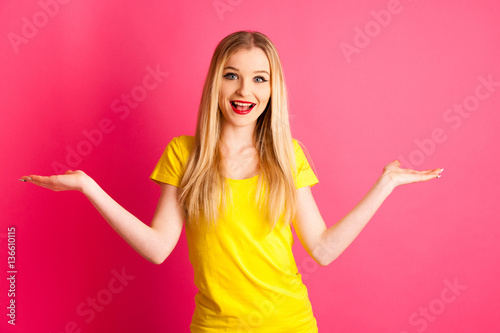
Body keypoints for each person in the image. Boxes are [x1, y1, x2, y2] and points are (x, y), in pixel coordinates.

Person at [19, 31, 443, 332]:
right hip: (213, 327)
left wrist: (385, 184)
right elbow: (157, 248)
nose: (245, 89)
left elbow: (324, 249)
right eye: (231, 74)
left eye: (260, 78)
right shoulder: (184, 155)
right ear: (215, 82)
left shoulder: (286, 155)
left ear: (273, 88)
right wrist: (90, 187)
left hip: (289, 324)